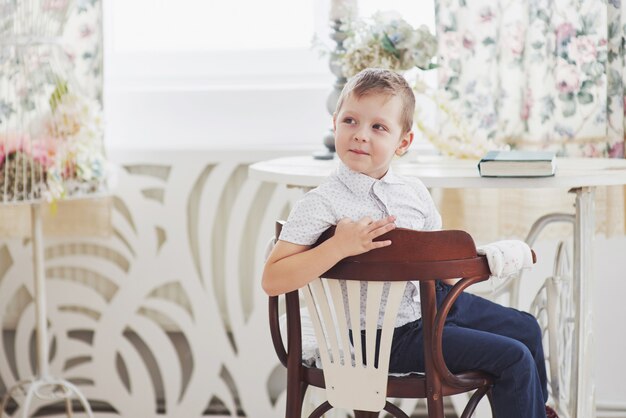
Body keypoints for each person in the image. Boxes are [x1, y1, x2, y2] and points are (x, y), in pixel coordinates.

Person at [262, 68, 558, 418]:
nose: (360, 135)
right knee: (513, 356)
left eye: (378, 127)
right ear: (335, 124)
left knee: (525, 327)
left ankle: (534, 410)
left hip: (440, 304)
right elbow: (273, 279)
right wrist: (337, 247)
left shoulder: (413, 193)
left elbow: (438, 257)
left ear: (402, 142)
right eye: (351, 121)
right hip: (387, 336)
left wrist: (478, 261)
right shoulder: (321, 203)